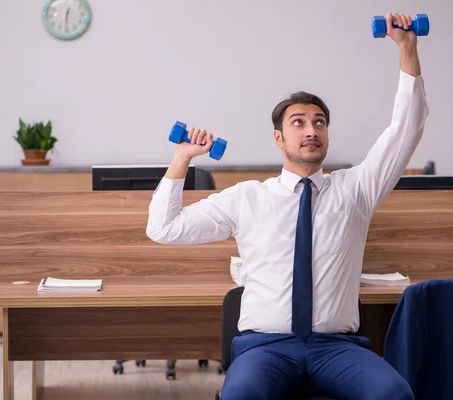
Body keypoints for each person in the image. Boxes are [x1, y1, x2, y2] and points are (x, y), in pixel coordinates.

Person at [147, 12, 429, 400]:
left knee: (395, 394)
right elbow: (164, 229)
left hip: (336, 348)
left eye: (320, 122)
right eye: (299, 122)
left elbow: (406, 129)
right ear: (278, 138)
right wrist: (182, 158)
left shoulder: (357, 189)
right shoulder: (248, 197)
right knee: (240, 397)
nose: (311, 130)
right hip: (265, 348)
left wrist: (408, 50)